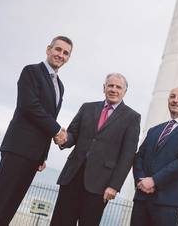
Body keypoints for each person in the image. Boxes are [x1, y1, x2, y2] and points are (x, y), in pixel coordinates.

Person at [0, 36, 72, 225]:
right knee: (1, 200)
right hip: (18, 149)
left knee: (11, 206)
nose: (60, 55)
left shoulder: (60, 86)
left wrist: (43, 155)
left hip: (33, 156)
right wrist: (58, 131)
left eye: (65, 53)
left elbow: (49, 117)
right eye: (58, 49)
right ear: (48, 49)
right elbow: (30, 106)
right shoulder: (31, 71)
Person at [50, 73, 140, 226]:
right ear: (104, 88)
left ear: (125, 91)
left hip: (100, 184)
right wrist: (64, 139)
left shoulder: (132, 117)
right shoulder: (87, 107)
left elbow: (127, 156)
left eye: (118, 87)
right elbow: (73, 135)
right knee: (60, 221)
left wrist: (114, 186)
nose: (113, 89)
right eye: (110, 85)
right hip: (72, 176)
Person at [130, 87, 178, 226]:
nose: (175, 100)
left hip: (168, 201)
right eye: (172, 96)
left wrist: (154, 181)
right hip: (142, 197)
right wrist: (140, 181)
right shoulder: (154, 130)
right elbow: (139, 157)